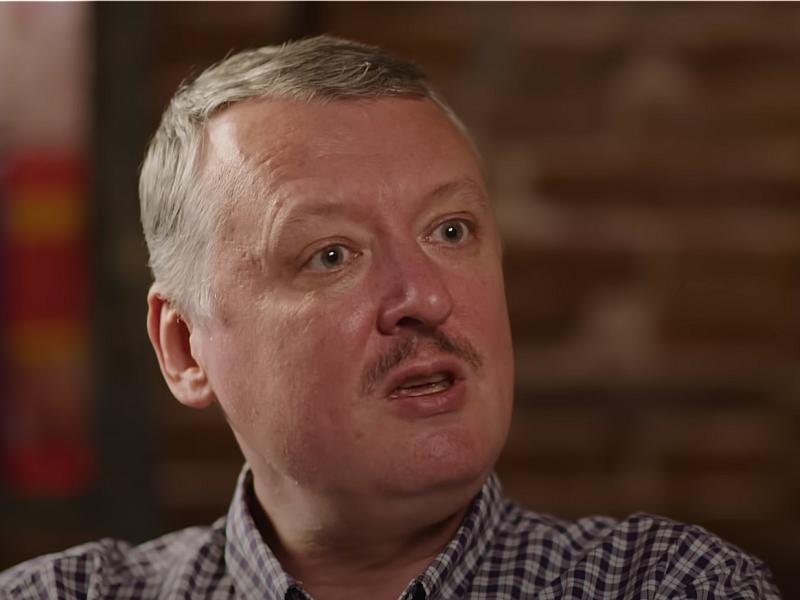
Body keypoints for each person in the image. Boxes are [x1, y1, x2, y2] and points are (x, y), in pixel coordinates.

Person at [0, 35, 781, 600]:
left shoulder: (668, 585)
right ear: (185, 349)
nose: (426, 298)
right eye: (331, 255)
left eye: (451, 231)